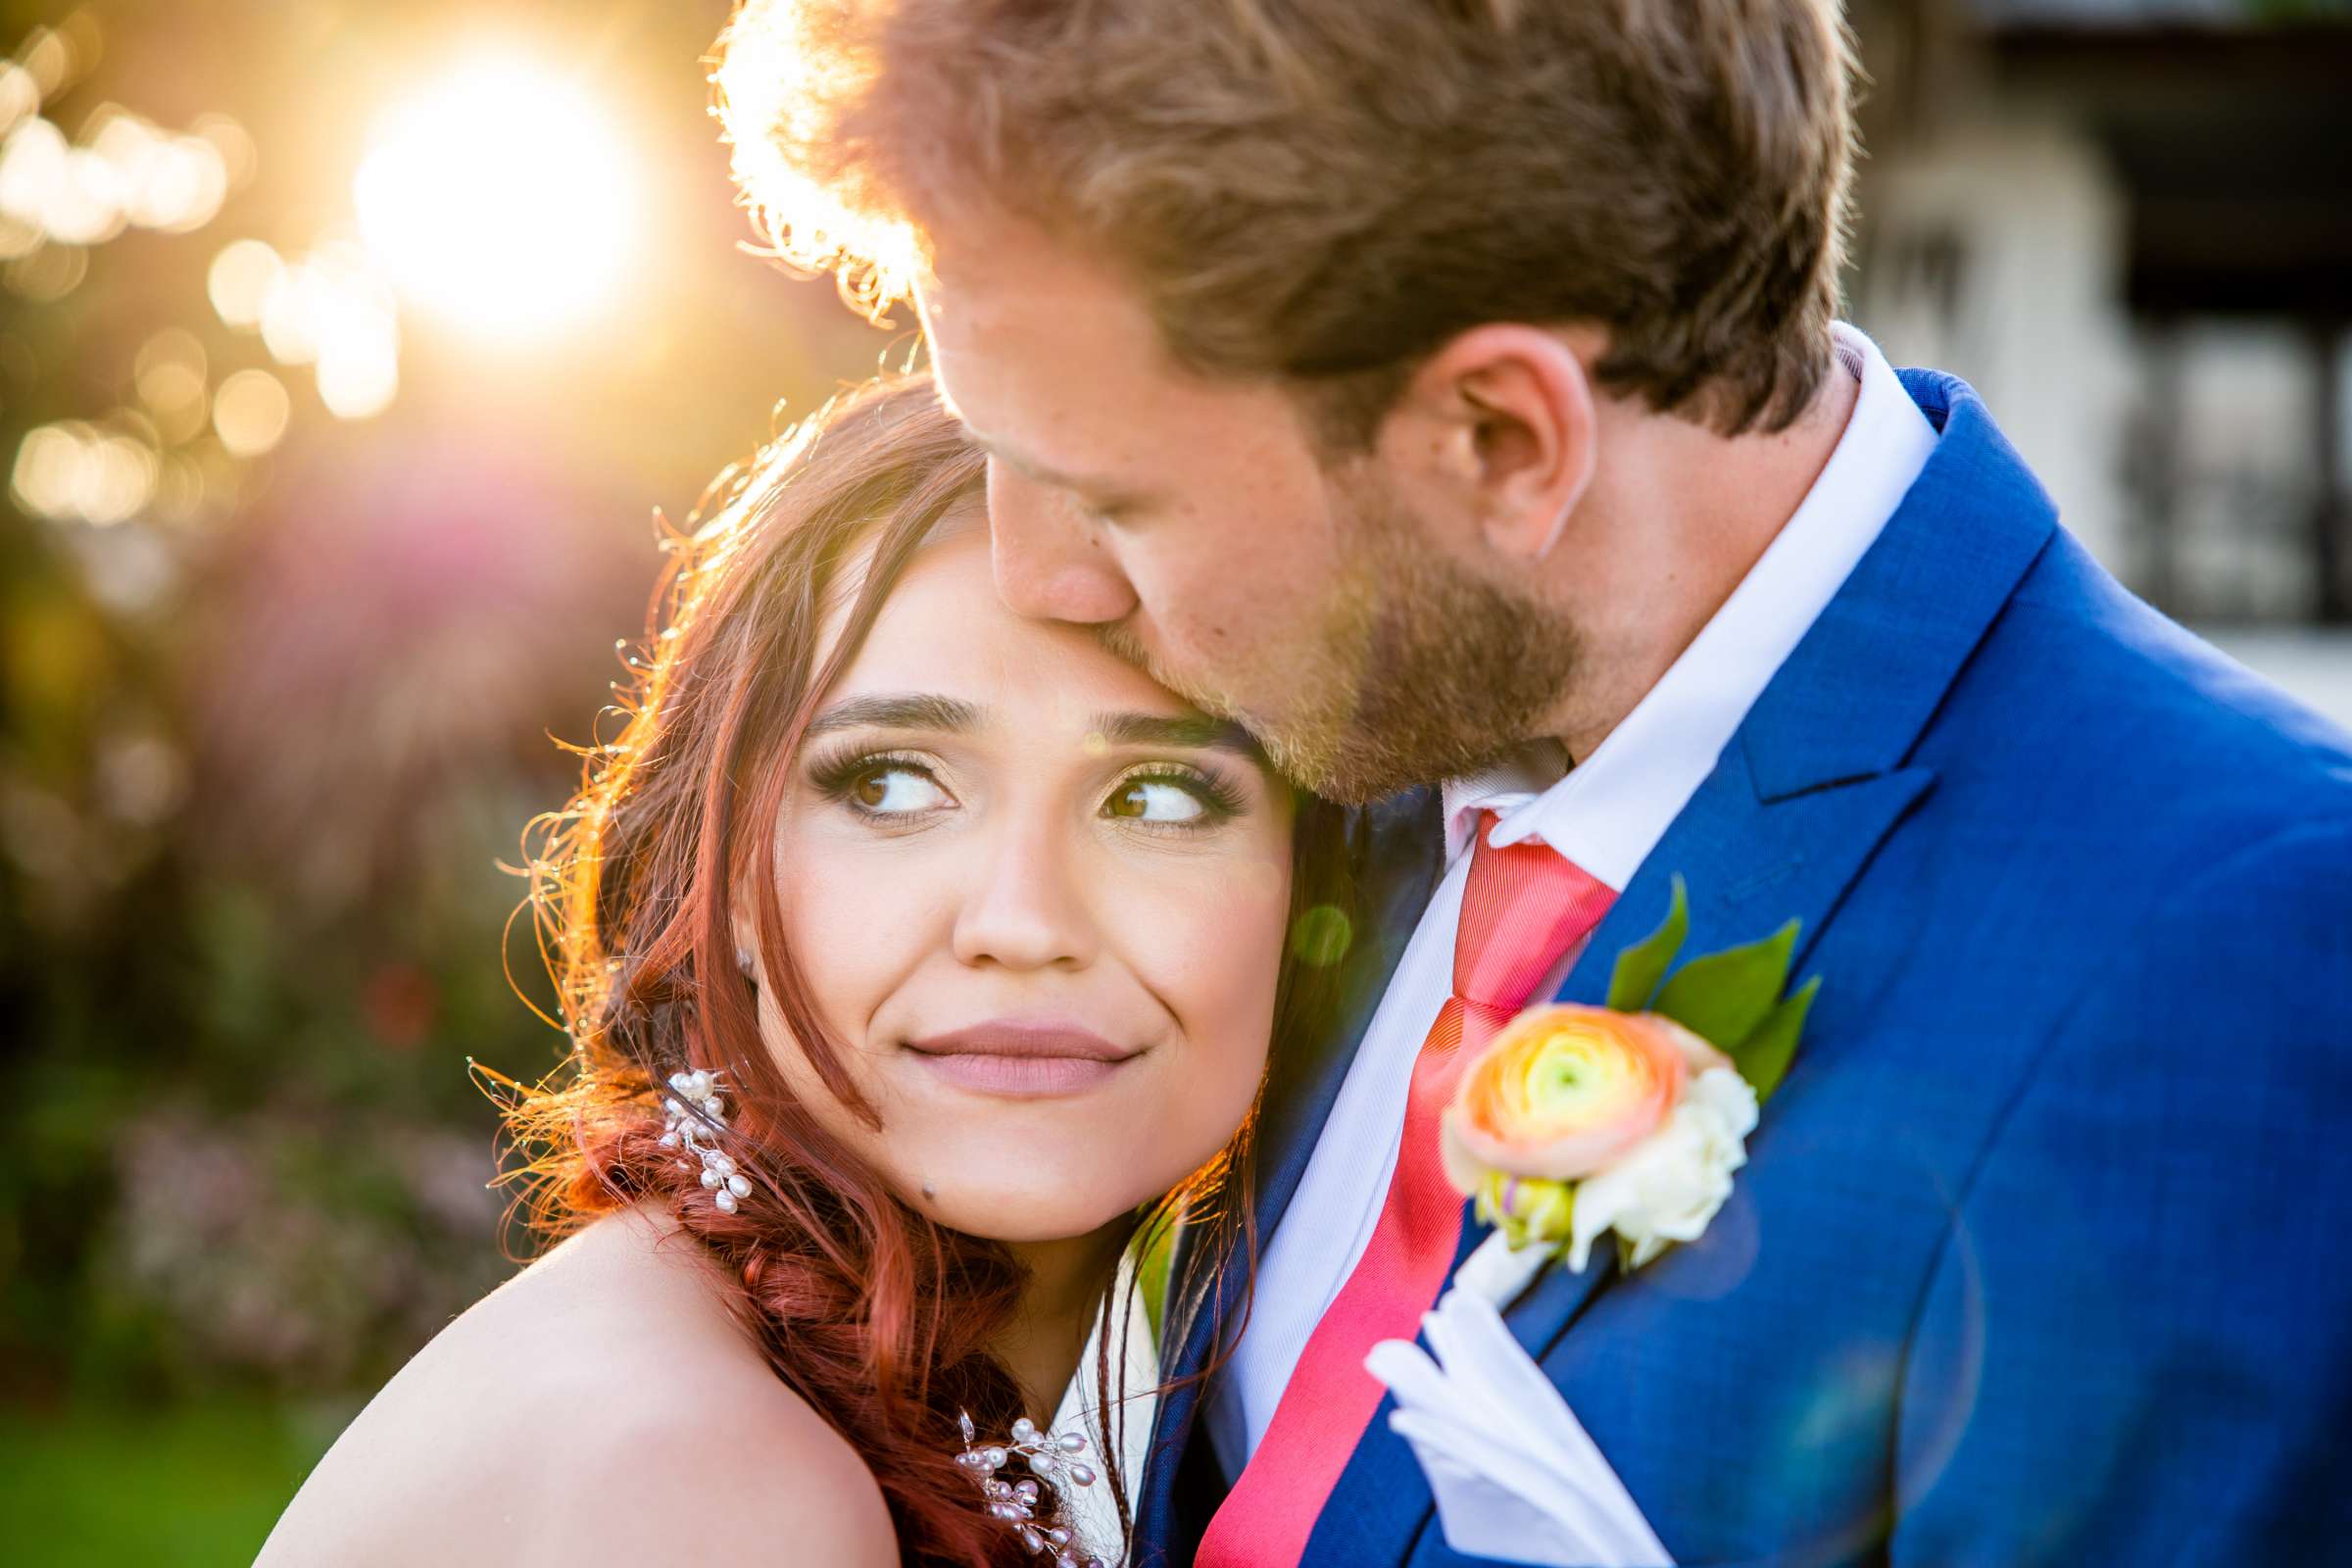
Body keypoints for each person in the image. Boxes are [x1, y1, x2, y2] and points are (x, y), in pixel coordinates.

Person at [713, 2, 2352, 1564]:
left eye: (1112, 496)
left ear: (1500, 442)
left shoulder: (2230, 972)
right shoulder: (1332, 755)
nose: (1041, 576)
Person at [257, 377, 1372, 1567]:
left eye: (1157, 797)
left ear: (1307, 893)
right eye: (891, 783)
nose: (1024, 921)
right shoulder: (705, 1486)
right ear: (727, 871)